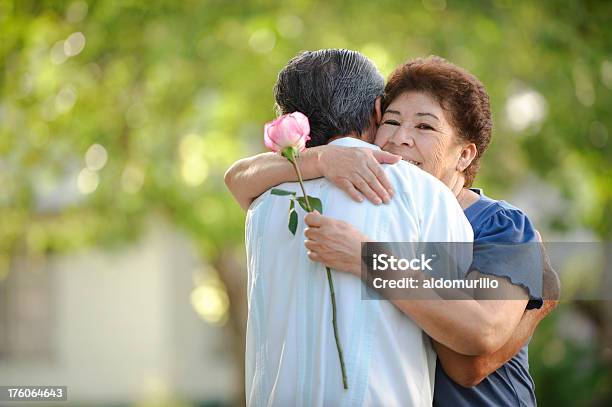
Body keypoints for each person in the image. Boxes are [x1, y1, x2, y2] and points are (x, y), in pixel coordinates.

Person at [226, 55, 560, 406]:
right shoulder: (377, 198)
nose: (401, 138)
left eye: (425, 127)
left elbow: (469, 362)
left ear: (464, 155)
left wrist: (366, 258)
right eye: (391, 121)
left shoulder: (500, 226)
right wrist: (322, 157)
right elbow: (237, 178)